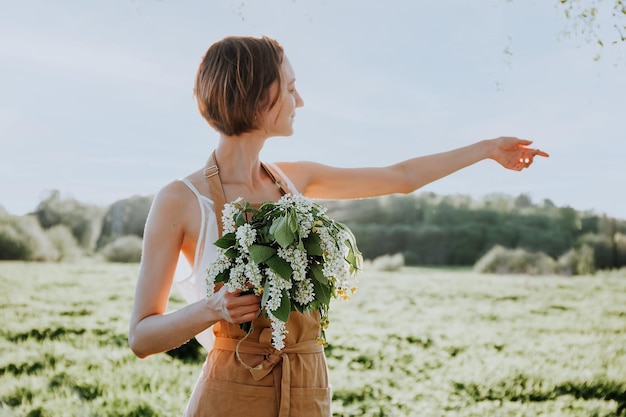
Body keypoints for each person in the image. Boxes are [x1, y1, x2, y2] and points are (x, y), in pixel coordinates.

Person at [128, 35, 549, 417]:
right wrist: (210, 308)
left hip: (310, 385)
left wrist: (488, 149)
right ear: (260, 95)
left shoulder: (295, 179)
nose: (302, 101)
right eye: (291, 89)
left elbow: (400, 177)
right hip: (231, 394)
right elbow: (142, 337)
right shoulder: (181, 200)